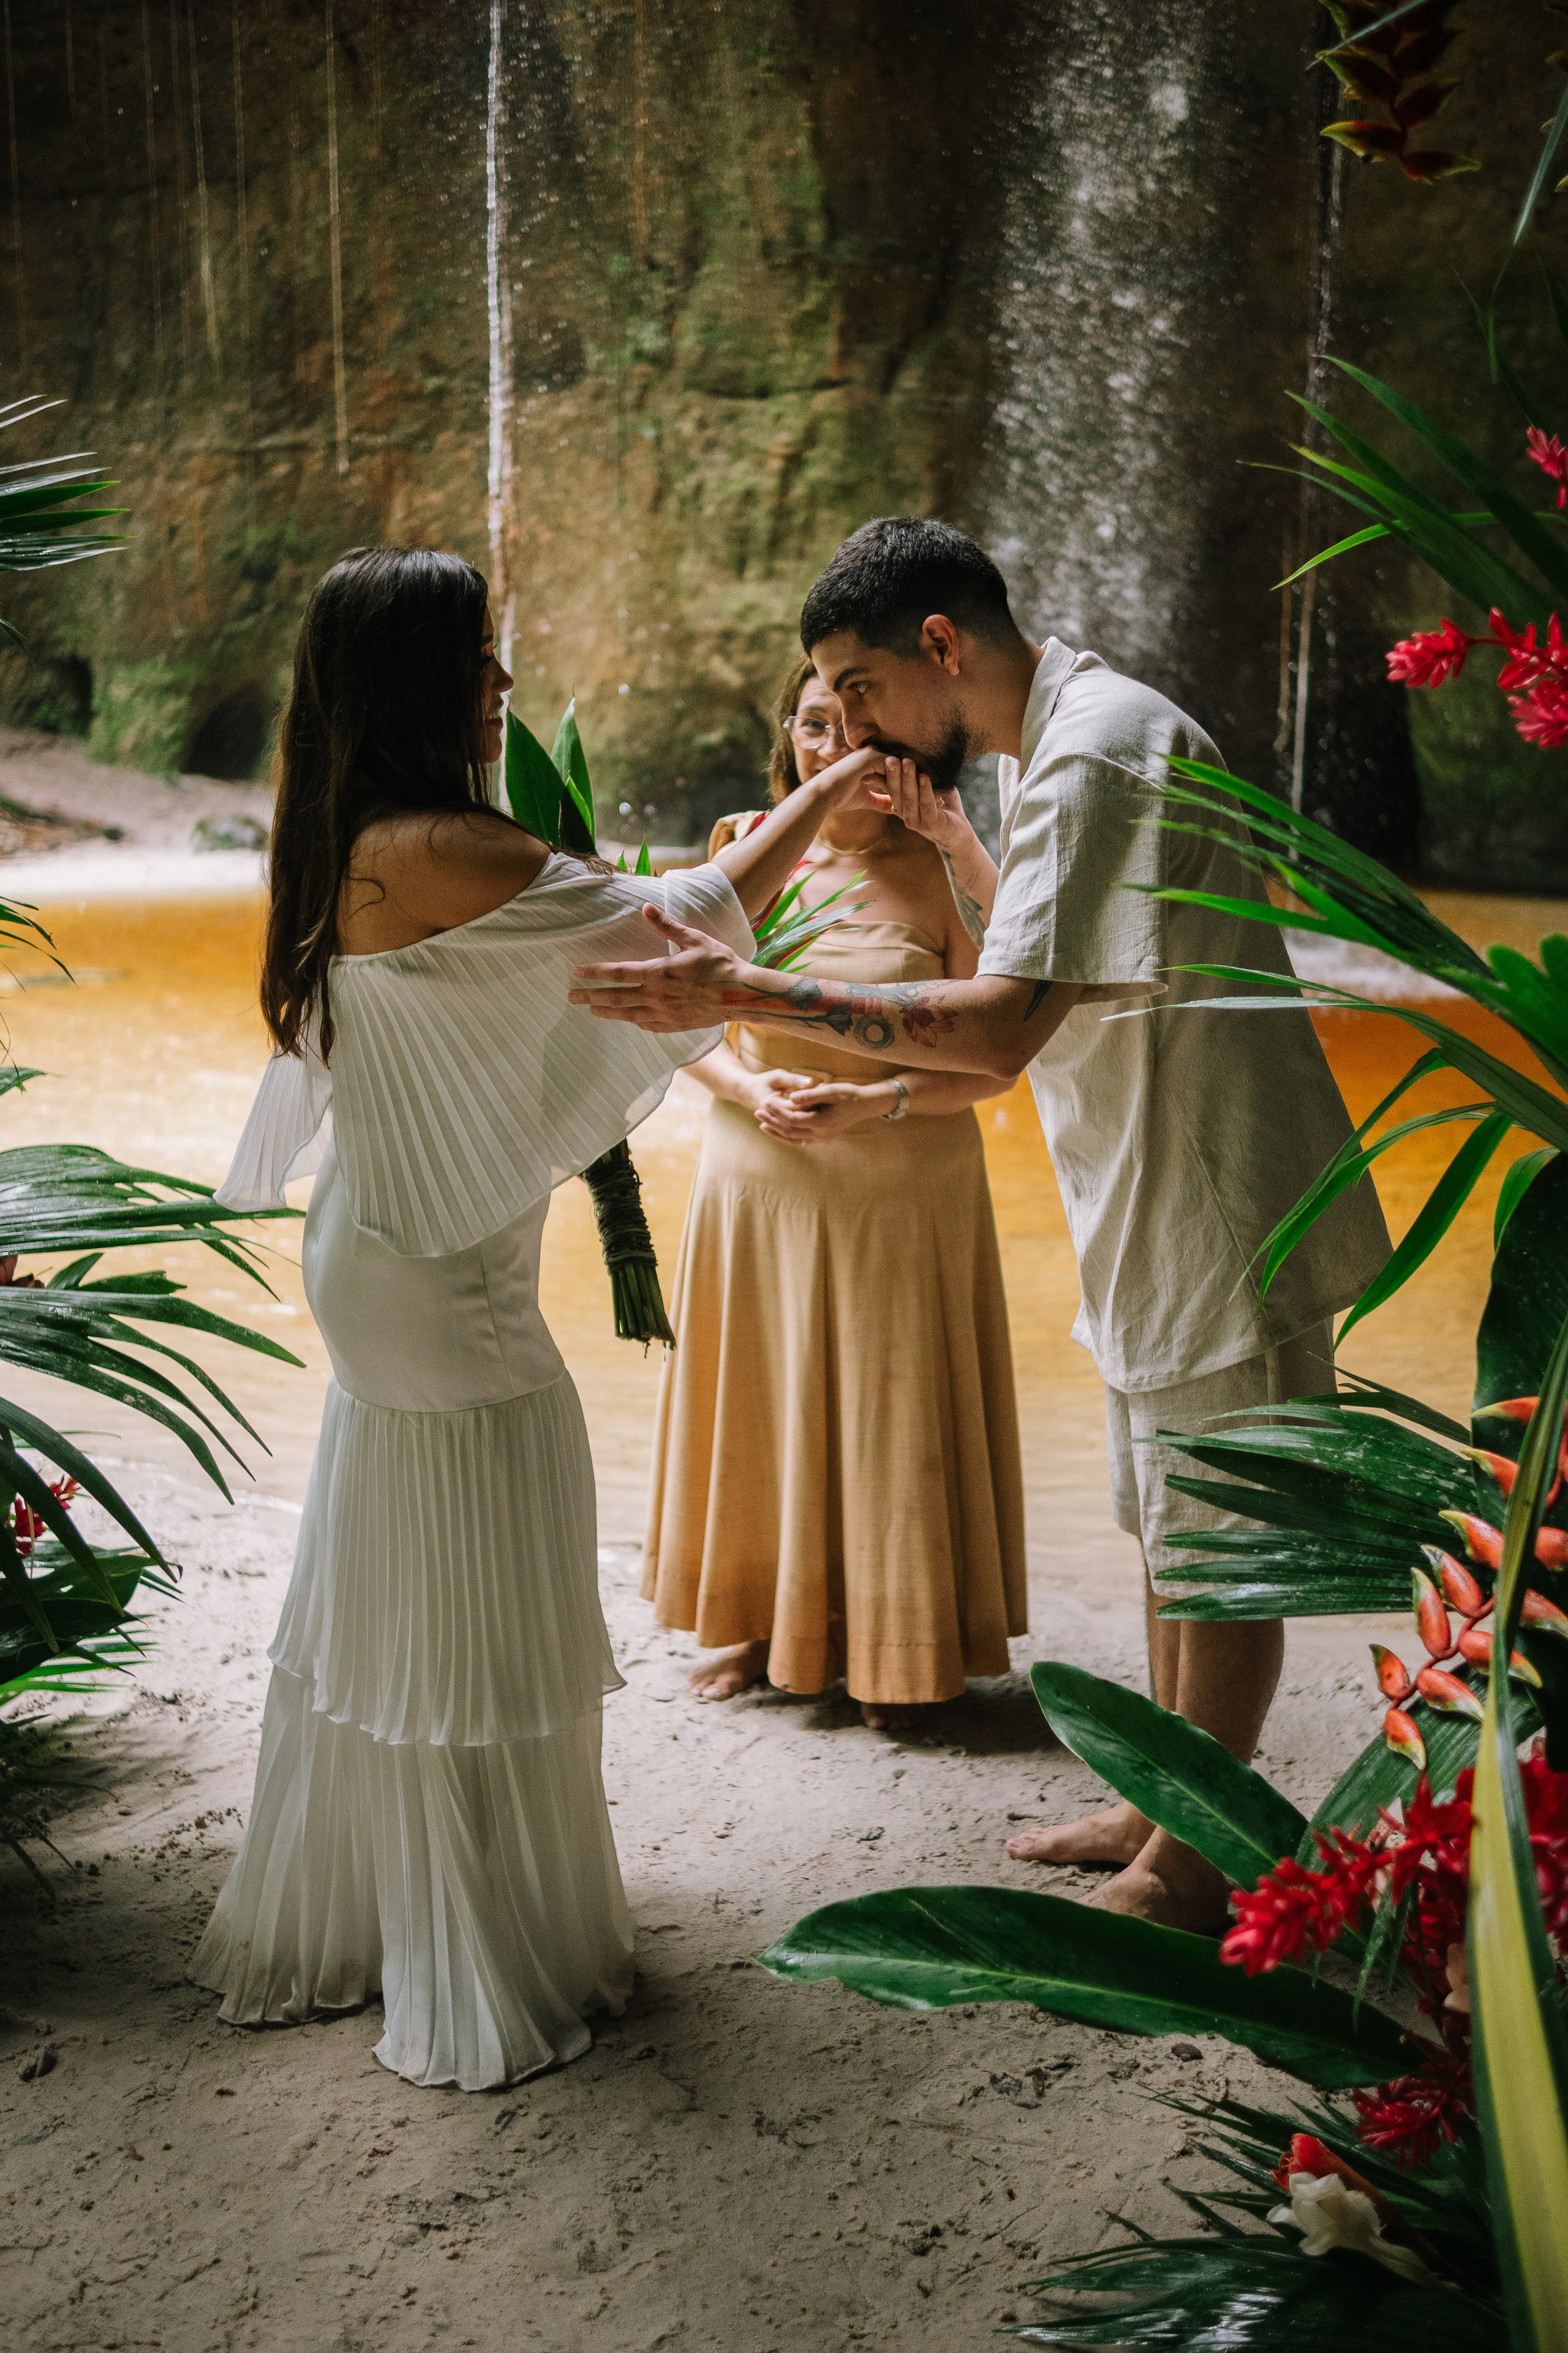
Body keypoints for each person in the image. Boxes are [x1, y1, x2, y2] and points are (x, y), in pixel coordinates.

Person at [568, 516, 1391, 1935]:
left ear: (937, 648)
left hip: (1210, 1188)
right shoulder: (1054, 751)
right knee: (1164, 1528)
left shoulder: (1094, 752)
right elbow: (1004, 1050)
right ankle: (1156, 1801)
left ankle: (1187, 1871)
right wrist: (793, 1046)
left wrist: (746, 994)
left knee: (1217, 1541)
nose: (847, 731)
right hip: (1147, 1187)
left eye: (859, 687)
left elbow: (999, 1025)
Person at [192, 545, 888, 2090]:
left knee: (397, 1584)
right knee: (484, 1599)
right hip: (442, 1286)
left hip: (378, 1252)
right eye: (479, 656)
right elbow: (679, 927)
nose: (502, 681)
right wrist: (832, 797)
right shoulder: (443, 839)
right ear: (420, 682)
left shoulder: (338, 832)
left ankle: (399, 1910)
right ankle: (480, 1947)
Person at [643, 654, 1027, 1730]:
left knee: (893, 1407)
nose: (837, 749)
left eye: (857, 732)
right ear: (789, 737)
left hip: (905, 1182)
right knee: (765, 1400)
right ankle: (761, 1625)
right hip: (758, 1178)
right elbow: (676, 1016)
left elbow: (1004, 1059)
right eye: (813, 728)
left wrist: (879, 1103)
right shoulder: (739, 850)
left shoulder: (949, 865)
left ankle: (901, 1649)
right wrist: (740, 1079)